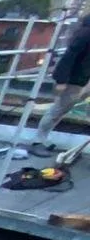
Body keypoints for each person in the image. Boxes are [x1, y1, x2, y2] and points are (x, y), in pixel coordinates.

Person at [30, 15, 90, 155]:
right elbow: (69, 56)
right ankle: (38, 140)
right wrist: (61, 80)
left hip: (85, 79)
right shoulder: (86, 34)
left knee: (64, 108)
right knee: (59, 109)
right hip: (76, 80)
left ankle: (42, 138)